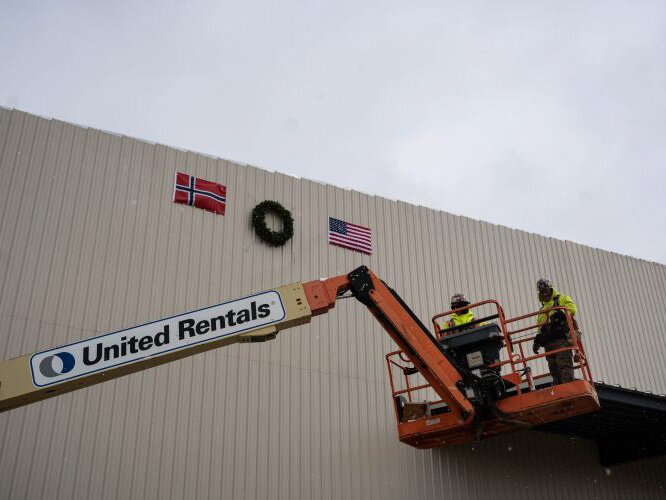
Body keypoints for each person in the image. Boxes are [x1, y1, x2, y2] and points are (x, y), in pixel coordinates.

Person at [532, 278, 577, 385]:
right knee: (554, 369)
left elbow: (571, 308)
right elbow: (540, 327)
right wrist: (537, 340)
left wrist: (560, 314)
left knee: (564, 365)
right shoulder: (542, 310)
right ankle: (559, 390)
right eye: (542, 292)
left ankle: (568, 389)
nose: (545, 294)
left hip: (560, 339)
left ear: (551, 289)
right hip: (548, 343)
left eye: (546, 290)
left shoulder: (561, 299)